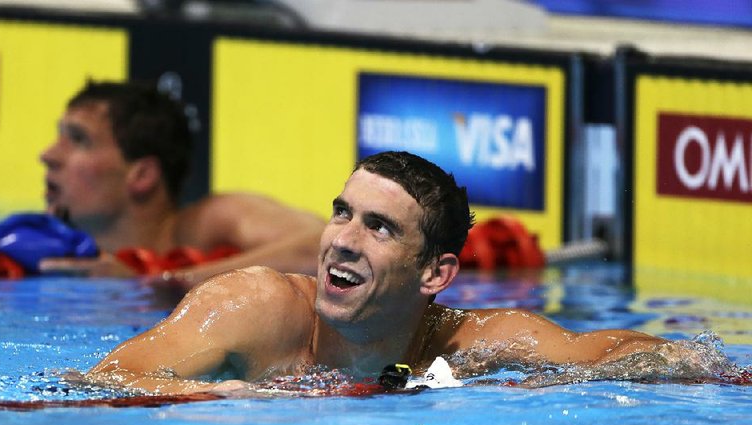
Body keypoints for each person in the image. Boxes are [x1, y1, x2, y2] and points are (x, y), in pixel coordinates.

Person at [80, 151, 716, 395]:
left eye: (380, 227)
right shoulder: (258, 306)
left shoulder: (462, 344)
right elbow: (107, 378)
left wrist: (703, 364)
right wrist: (239, 398)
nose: (342, 243)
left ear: (435, 274)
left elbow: (617, 353)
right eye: (342, 214)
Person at [38, 81, 324, 281]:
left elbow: (323, 247)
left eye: (78, 140)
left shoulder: (209, 224)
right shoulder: (47, 254)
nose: (48, 155)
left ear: (143, 175)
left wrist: (155, 286)